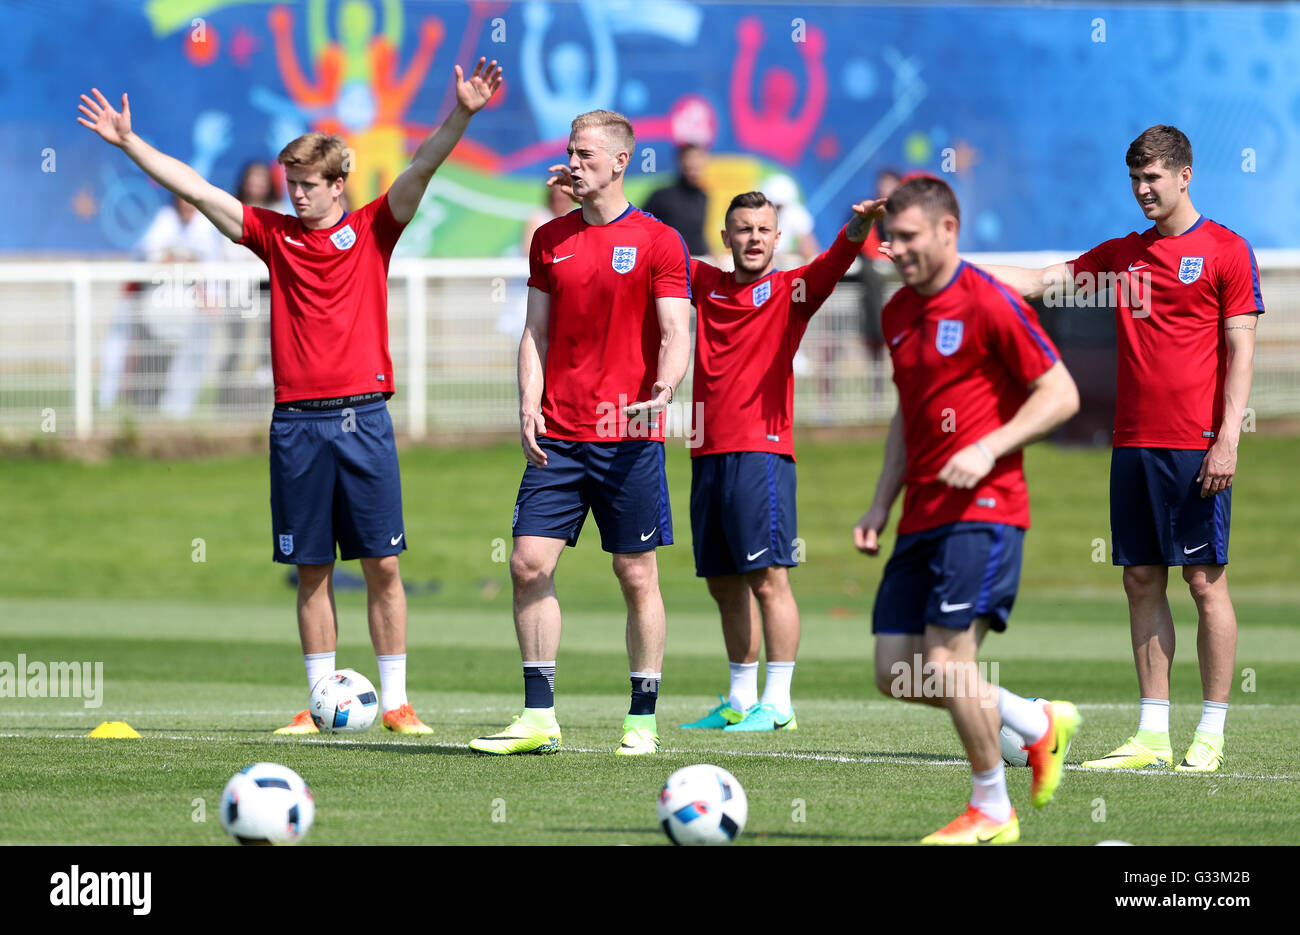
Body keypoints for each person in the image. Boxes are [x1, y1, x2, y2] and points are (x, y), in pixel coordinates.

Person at [77, 59, 503, 736]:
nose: (297, 195)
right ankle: (317, 700)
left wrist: (463, 113)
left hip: (364, 418)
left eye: (308, 185)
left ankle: (395, 702)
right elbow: (199, 188)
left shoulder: (372, 229)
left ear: (339, 184)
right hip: (296, 426)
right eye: (290, 185)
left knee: (384, 564)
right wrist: (132, 145)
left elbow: (421, 166)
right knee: (311, 569)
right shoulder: (272, 238)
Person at [977, 125, 1263, 773]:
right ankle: (1152, 734)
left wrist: (1228, 436)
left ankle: (1211, 733)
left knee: (1204, 581)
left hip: (1196, 445)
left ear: (1185, 175)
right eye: (1135, 179)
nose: (1143, 190)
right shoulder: (1120, 256)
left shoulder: (1226, 251)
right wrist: (953, 270)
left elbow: (1242, 349)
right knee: (1140, 578)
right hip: (1132, 444)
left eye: (1154, 177)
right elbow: (1043, 279)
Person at [854, 176, 1082, 844]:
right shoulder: (898, 313)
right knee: (896, 671)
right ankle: (1038, 724)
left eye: (908, 237)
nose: (895, 249)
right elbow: (908, 414)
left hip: (984, 509)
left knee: (949, 661)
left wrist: (989, 446)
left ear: (948, 231)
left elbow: (1060, 393)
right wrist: (879, 501)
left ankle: (992, 807)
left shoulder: (989, 301)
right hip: (920, 513)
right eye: (889, 238)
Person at [469, 109, 692, 757]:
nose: (574, 159)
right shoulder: (550, 237)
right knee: (527, 563)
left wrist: (666, 388)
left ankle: (642, 718)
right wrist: (527, 402)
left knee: (634, 573)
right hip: (559, 435)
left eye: (587, 151)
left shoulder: (658, 240)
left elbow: (677, 330)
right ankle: (539, 717)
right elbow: (534, 330)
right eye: (571, 149)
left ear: (622, 161)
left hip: (627, 436)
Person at [679, 190, 885, 733]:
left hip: (762, 453)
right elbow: (651, 245)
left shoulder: (791, 289)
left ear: (777, 238)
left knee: (768, 578)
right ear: (726, 237)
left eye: (763, 230)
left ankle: (780, 702)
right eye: (742, 229)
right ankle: (740, 699)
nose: (752, 238)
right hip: (707, 453)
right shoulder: (704, 284)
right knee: (723, 581)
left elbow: (834, 261)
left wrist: (857, 227)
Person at [643, 144, 710, 256]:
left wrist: (711, 253)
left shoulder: (703, 197)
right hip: (669, 261)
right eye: (689, 159)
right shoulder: (661, 195)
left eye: (697, 159)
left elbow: (698, 235)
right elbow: (641, 229)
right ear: (681, 162)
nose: (693, 164)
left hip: (699, 260)